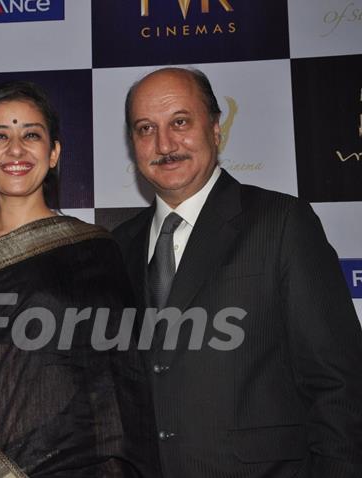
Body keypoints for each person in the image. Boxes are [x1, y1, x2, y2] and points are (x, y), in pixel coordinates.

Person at [112, 67, 362, 477]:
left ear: (215, 128)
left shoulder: (281, 223)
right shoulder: (117, 246)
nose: (164, 143)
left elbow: (338, 386)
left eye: (180, 121)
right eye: (145, 128)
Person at [0, 80, 161, 477]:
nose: (16, 150)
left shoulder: (93, 251)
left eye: (31, 135)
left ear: (53, 153)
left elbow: (119, 391)